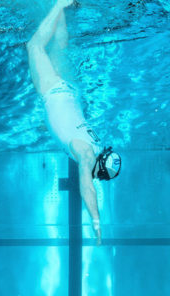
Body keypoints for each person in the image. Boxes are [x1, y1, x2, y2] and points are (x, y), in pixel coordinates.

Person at [27, 0, 121, 244]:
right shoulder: (87, 155)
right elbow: (87, 187)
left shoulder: (97, 144)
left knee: (60, 45)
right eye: (97, 175)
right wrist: (96, 222)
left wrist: (43, 124)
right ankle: (58, 4)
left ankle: (62, 6)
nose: (94, 177)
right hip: (54, 90)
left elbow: (68, 123)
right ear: (98, 168)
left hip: (71, 90)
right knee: (34, 46)